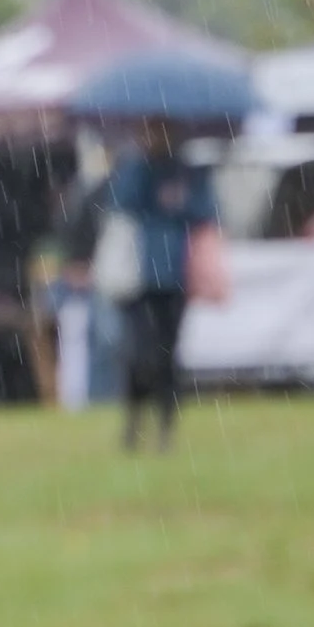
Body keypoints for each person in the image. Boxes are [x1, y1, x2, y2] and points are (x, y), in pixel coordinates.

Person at [101, 118, 221, 448]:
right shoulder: (134, 168)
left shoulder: (188, 172)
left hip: (173, 277)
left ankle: (166, 424)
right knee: (138, 355)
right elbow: (121, 204)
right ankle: (134, 421)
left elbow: (205, 210)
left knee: (167, 355)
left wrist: (179, 201)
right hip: (138, 278)